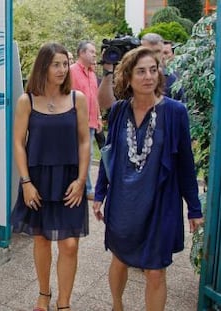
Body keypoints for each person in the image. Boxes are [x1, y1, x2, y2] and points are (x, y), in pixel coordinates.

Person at [92, 46, 204, 311]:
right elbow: (108, 155)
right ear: (128, 78)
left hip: (160, 203)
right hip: (124, 201)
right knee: (119, 260)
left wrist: (194, 209)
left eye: (153, 70)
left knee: (155, 271)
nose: (148, 76)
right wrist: (99, 194)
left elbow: (186, 163)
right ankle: (116, 306)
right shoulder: (119, 111)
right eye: (141, 71)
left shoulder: (176, 112)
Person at [11, 42, 90, 311]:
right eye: (56, 64)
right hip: (38, 180)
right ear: (43, 66)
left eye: (65, 64)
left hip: (70, 180)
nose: (62, 69)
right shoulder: (27, 100)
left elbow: (84, 142)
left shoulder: (77, 98)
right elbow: (18, 143)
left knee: (69, 244)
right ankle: (44, 294)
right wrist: (25, 183)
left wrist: (81, 181)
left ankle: (64, 302)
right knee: (42, 239)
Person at [70, 40, 102, 200]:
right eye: (92, 52)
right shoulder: (71, 71)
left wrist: (99, 118)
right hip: (76, 121)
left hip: (91, 121)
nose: (95, 55)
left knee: (86, 154)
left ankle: (84, 186)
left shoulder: (92, 74)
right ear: (81, 53)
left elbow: (94, 98)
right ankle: (87, 188)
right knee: (85, 153)